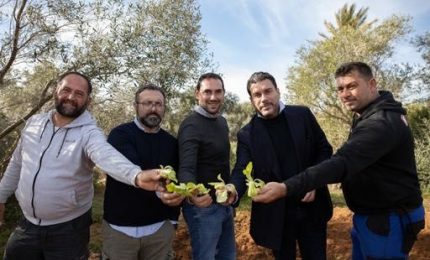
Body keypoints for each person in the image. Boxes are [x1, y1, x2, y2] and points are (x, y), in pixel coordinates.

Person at [253, 62, 425, 259]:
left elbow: (341, 163)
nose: (345, 94)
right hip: (371, 216)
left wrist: (286, 187)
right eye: (340, 89)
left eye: (352, 86)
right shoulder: (367, 114)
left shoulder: (381, 123)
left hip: (389, 218)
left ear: (372, 84)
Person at [0, 72, 162, 260]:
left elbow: (106, 156)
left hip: (68, 230)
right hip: (26, 224)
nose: (71, 97)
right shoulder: (34, 124)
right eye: (66, 90)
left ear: (88, 100)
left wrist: (137, 176)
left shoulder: (90, 133)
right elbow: (18, 163)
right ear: (56, 91)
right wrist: (1, 195)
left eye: (79, 93)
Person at [228, 72, 333, 259]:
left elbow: (324, 150)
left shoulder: (302, 115)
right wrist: (233, 190)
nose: (264, 98)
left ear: (278, 91)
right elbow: (242, 169)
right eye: (257, 95)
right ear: (252, 100)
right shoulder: (247, 134)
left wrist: (314, 181)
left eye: (268, 91)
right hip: (276, 216)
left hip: (312, 208)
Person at [102, 83, 184, 260]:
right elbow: (132, 169)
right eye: (147, 103)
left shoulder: (171, 142)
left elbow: (177, 180)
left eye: (158, 104)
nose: (153, 109)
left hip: (159, 230)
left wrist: (173, 219)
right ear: (136, 106)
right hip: (120, 231)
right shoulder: (120, 135)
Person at [177, 73, 235, 260]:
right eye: (207, 92)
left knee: (228, 257)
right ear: (197, 94)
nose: (213, 97)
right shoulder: (191, 125)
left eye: (218, 92)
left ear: (224, 94)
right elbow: (186, 167)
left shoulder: (221, 122)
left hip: (224, 204)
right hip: (203, 210)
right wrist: (193, 195)